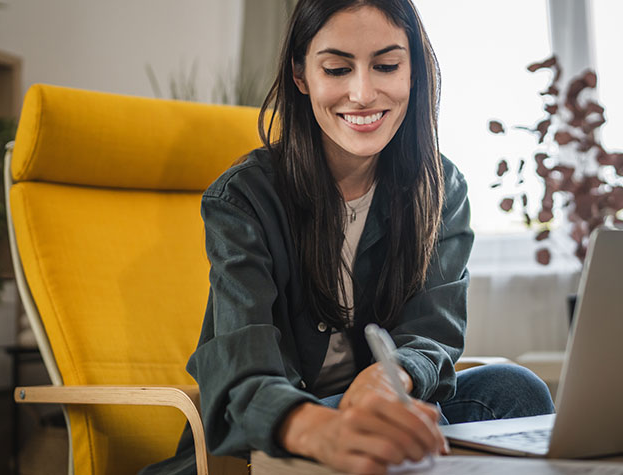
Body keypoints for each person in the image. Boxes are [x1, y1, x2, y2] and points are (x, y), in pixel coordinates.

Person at [142, 1, 554, 474]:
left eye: (387, 66)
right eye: (337, 69)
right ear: (301, 75)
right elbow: (242, 373)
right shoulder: (243, 198)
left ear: (414, 72)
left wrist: (389, 378)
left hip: (367, 411)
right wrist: (325, 429)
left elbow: (433, 334)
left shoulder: (440, 188)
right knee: (385, 430)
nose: (362, 94)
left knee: (515, 390)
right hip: (271, 438)